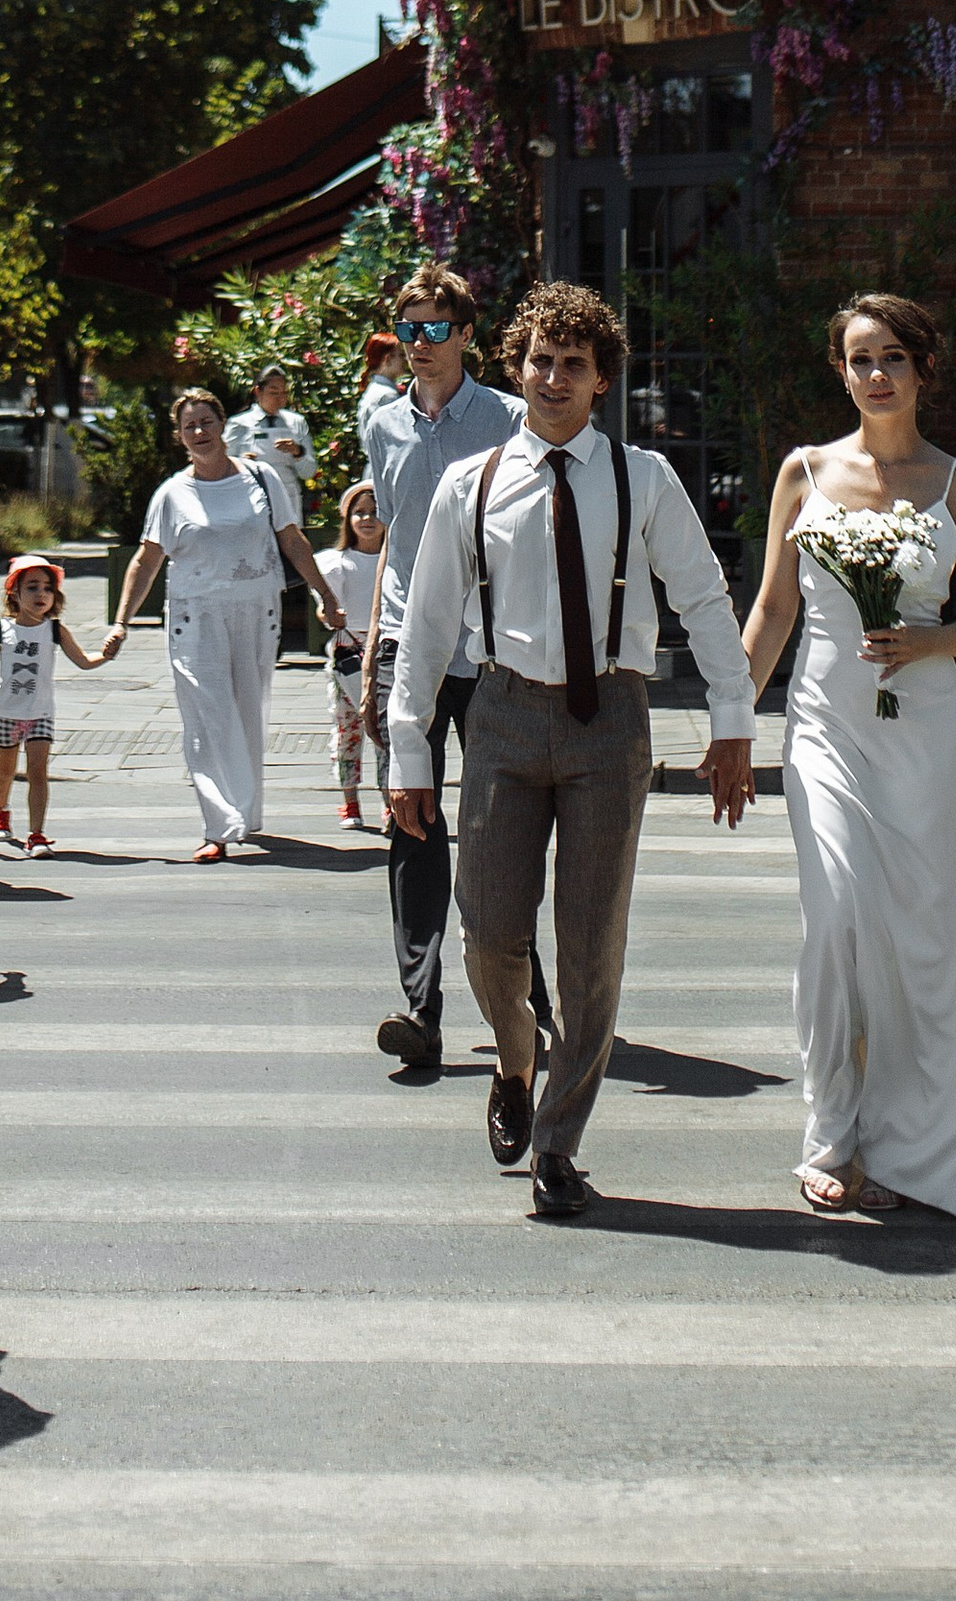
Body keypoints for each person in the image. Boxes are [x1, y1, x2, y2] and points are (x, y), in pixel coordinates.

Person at [387, 279, 756, 1223]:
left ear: (601, 383)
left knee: (589, 947)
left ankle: (558, 1143)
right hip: (503, 713)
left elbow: (705, 601)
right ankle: (515, 1059)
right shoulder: (471, 485)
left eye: (574, 365)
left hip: (611, 720)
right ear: (517, 369)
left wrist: (732, 720)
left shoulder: (644, 478)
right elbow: (428, 629)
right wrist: (408, 755)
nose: (554, 378)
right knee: (488, 932)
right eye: (540, 361)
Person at [742, 291, 956, 1219]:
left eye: (892, 357)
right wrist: (729, 721)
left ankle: (916, 1131)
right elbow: (777, 610)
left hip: (927, 732)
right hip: (825, 727)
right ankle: (832, 1132)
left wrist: (927, 639)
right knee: (836, 922)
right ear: (842, 371)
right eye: (860, 359)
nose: (875, 375)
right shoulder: (804, 473)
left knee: (924, 942)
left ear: (921, 368)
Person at [357, 263, 538, 1078]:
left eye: (435, 330)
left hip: (491, 646)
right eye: (408, 330)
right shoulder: (382, 424)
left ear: (467, 335)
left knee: (505, 827)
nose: (419, 346)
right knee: (412, 820)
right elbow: (394, 539)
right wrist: (372, 651)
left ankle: (531, 1003)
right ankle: (420, 1009)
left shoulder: (509, 418)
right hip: (407, 646)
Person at [102, 388, 346, 858]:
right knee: (206, 715)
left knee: (247, 709)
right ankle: (219, 824)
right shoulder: (172, 494)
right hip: (196, 616)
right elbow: (146, 560)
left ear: (223, 427)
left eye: (207, 422)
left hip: (257, 609)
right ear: (179, 436)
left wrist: (326, 593)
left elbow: (292, 541)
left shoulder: (262, 477)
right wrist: (121, 622)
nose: (200, 432)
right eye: (190, 425)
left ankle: (246, 812)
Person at [0, 555, 109, 852]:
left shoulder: (54, 630)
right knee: (5, 771)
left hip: (40, 713)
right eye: (31, 587)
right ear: (14, 593)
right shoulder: (2, 631)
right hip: (7, 713)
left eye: (47, 588)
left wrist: (107, 654)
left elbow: (83, 661)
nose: (41, 594)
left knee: (37, 774)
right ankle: (0, 813)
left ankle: (37, 834)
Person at [225, 359, 316, 651]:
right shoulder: (239, 425)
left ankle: (279, 639)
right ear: (258, 391)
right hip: (250, 504)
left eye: (283, 392)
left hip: (286, 502)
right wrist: (243, 462)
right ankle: (250, 636)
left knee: (283, 571)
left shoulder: (296, 423)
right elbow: (223, 466)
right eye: (273, 391)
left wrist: (298, 452)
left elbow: (310, 471)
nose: (279, 397)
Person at [318, 483, 386, 826]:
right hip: (348, 653)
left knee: (387, 729)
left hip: (386, 651)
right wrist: (329, 613)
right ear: (347, 519)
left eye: (374, 512)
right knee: (348, 728)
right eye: (359, 512)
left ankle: (390, 798)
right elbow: (325, 607)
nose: (367, 519)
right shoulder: (339, 563)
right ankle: (350, 799)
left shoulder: (397, 562)